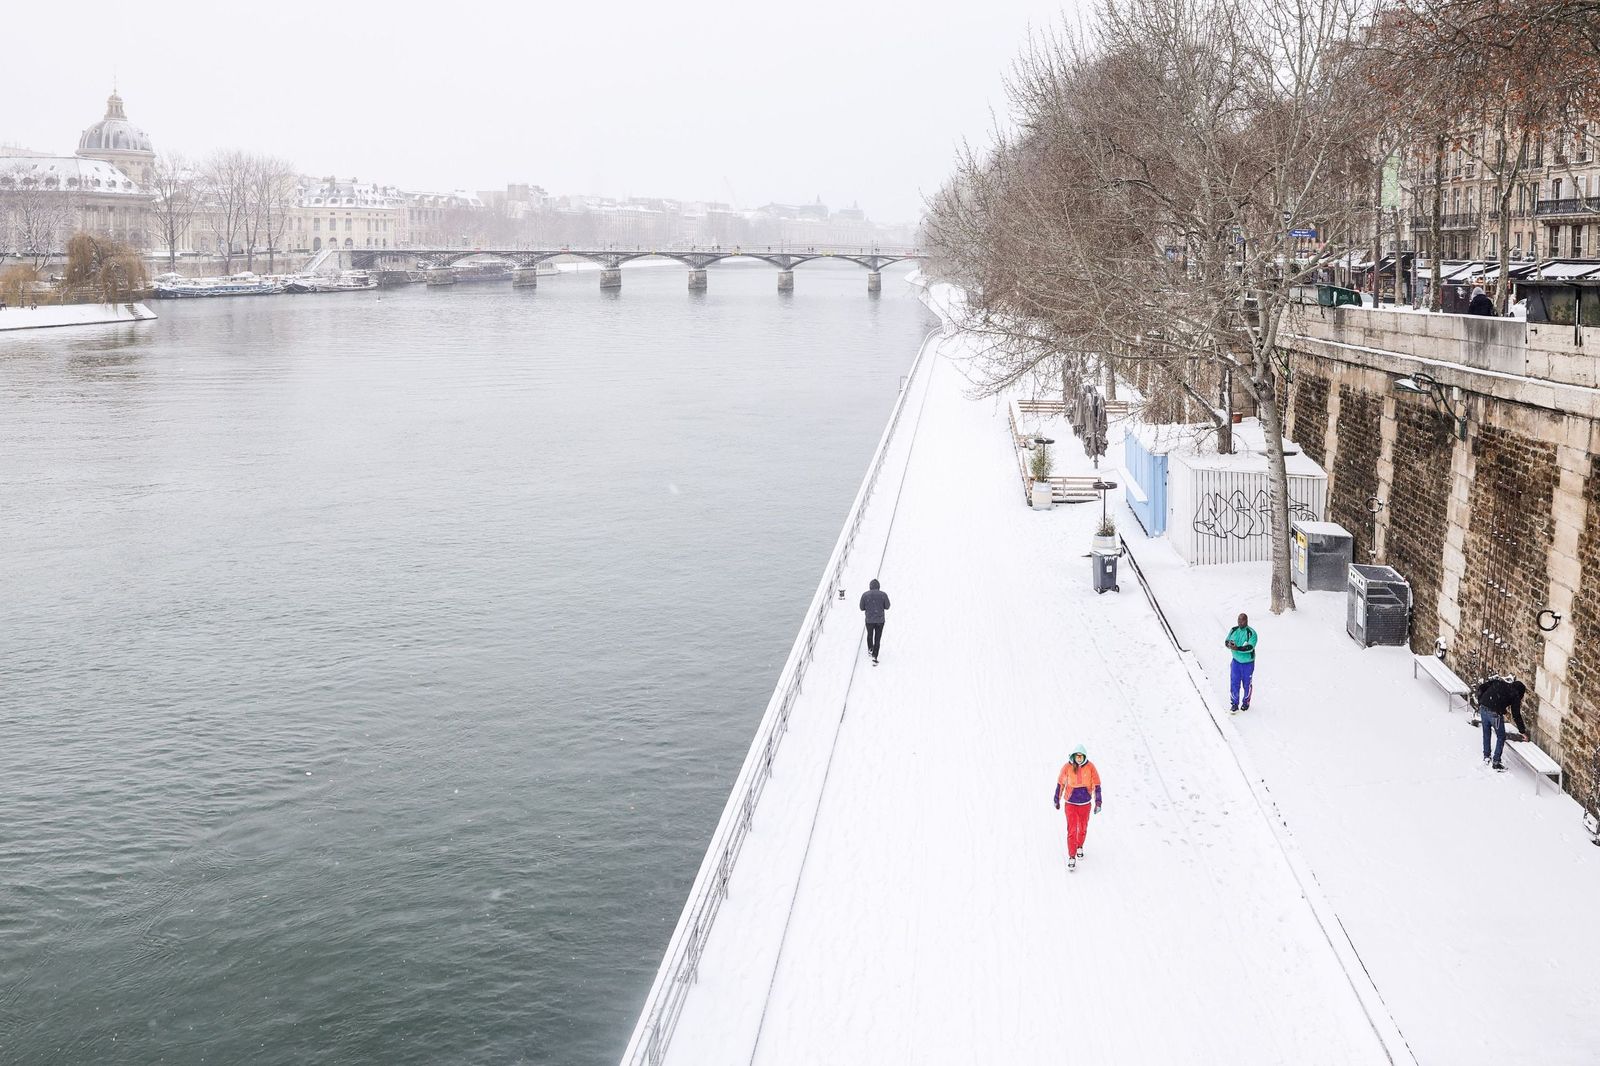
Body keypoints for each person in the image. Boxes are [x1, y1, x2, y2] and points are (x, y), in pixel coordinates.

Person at [1053, 746, 1102, 870]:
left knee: (1083, 828)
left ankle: (1080, 846)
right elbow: (1060, 783)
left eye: (1081, 756)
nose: (1079, 758)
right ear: (1073, 756)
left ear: (1084, 756)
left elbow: (1097, 784)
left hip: (1085, 804)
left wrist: (1098, 802)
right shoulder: (1067, 767)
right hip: (1070, 804)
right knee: (1072, 830)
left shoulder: (1091, 767)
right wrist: (1056, 799)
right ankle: (1072, 856)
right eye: (1077, 756)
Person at [1476, 674, 1529, 770]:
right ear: (1520, 692)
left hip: (1483, 708)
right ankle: (1496, 762)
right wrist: (1522, 731)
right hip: (1495, 713)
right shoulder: (1515, 694)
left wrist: (1481, 701)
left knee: (1486, 732)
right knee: (1501, 736)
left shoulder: (1498, 683)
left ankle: (1486, 756)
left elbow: (1482, 687)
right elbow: (1516, 714)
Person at [1224, 613, 1258, 712]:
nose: (1240, 622)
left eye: (1242, 620)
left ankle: (1246, 702)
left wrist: (1237, 648)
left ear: (1246, 621)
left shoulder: (1251, 633)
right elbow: (1226, 641)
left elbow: (1250, 647)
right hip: (1235, 662)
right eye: (1238, 620)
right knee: (1234, 682)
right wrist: (1229, 644)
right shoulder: (1234, 630)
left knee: (1247, 684)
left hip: (1248, 663)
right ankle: (1234, 703)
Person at [859, 578, 890, 665]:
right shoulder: (883, 595)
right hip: (880, 619)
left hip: (869, 619)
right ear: (878, 586)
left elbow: (861, 608)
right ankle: (875, 655)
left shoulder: (865, 595)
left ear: (870, 586)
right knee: (877, 637)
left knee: (870, 634)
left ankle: (870, 649)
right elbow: (887, 606)